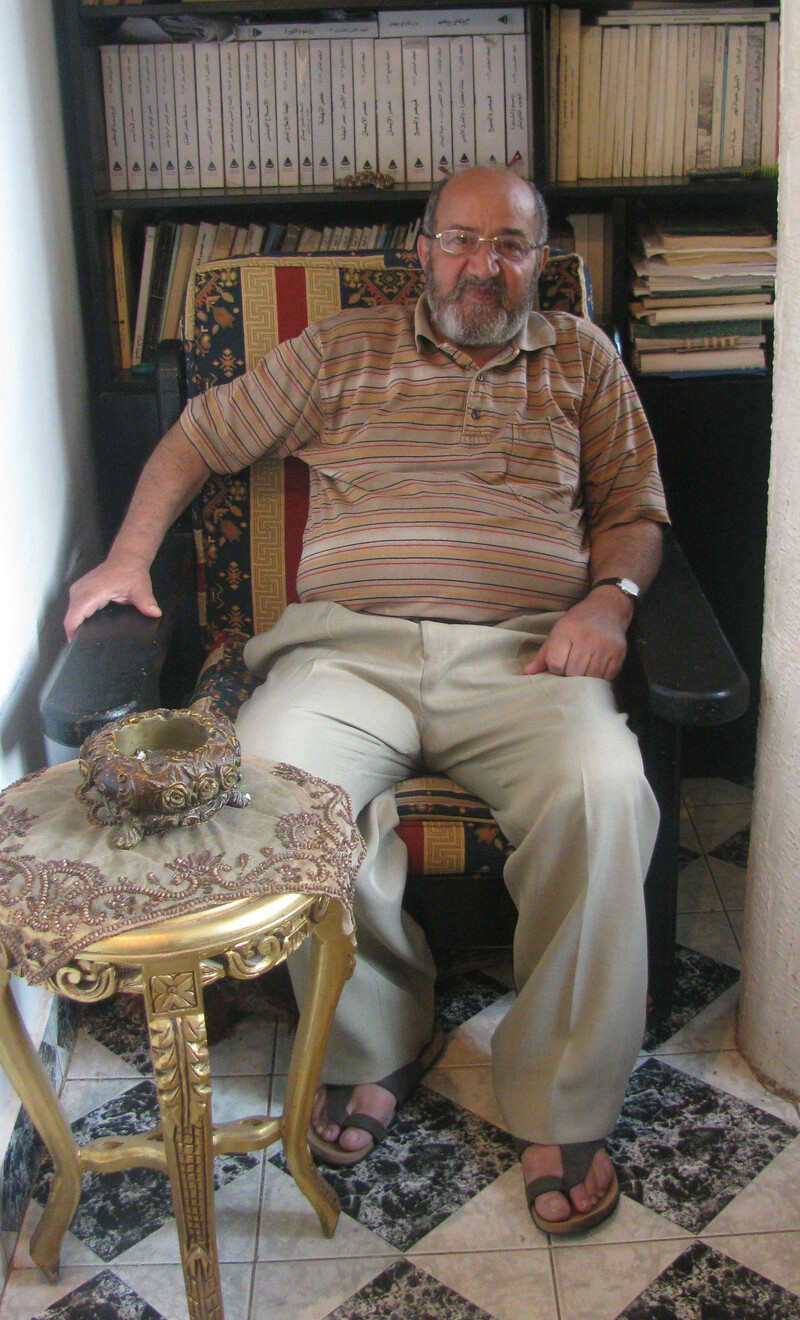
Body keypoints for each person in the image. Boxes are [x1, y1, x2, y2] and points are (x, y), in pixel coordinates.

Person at [65, 166, 669, 1235]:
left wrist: (612, 604)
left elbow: (632, 509)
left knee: (606, 792)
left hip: (525, 660)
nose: (482, 266)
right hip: (348, 653)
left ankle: (563, 1095)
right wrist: (124, 556)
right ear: (421, 247)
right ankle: (370, 1040)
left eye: (511, 247)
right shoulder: (340, 350)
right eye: (460, 241)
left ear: (542, 261)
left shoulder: (582, 358)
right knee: (273, 789)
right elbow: (201, 436)